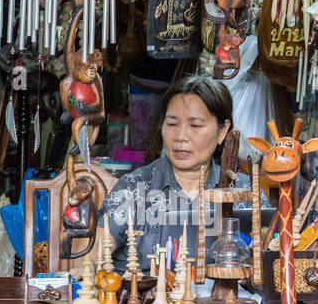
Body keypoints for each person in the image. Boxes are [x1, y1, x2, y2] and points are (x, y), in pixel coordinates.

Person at [101, 75, 255, 274]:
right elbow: (96, 248)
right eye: (172, 124)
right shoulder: (134, 188)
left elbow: (272, 250)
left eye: (196, 125)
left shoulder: (244, 194)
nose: (181, 137)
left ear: (222, 131)